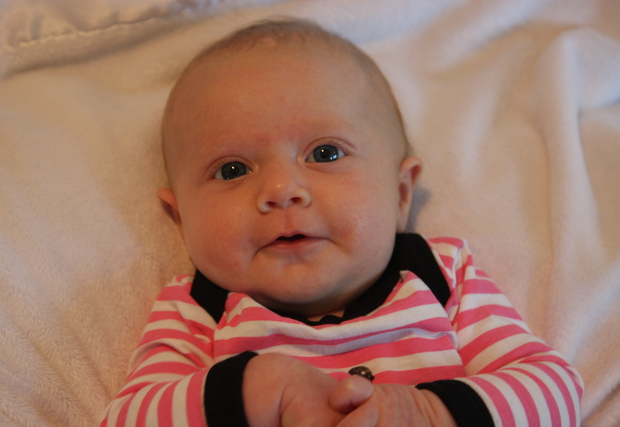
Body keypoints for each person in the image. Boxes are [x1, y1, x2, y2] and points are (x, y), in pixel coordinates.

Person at [101, 18, 583, 427]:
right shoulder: (197, 311)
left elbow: (554, 390)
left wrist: (430, 412)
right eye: (232, 170)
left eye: (325, 154)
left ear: (400, 193)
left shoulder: (440, 275)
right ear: (181, 219)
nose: (281, 189)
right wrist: (255, 391)